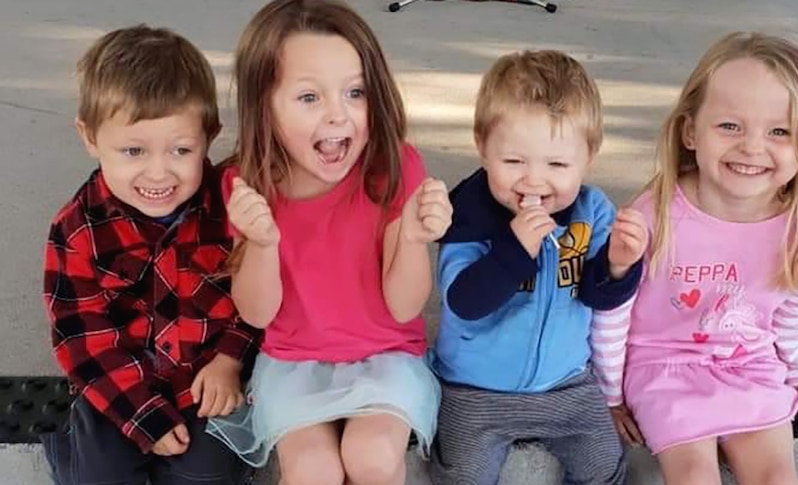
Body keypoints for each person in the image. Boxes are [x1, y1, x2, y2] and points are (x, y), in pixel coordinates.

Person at [204, 2, 452, 484]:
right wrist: (261, 242)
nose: (338, 115)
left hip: (386, 356)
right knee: (312, 468)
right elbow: (257, 314)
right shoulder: (249, 183)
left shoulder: (395, 168)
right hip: (295, 362)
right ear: (265, 104)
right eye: (309, 97)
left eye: (355, 92)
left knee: (374, 454)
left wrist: (415, 239)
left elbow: (404, 308)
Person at [591, 32, 798, 485]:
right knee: (693, 476)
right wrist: (610, 395)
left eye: (780, 131)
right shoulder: (655, 213)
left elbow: (793, 309)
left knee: (776, 476)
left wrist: (794, 364)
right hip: (662, 365)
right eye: (730, 125)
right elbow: (613, 311)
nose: (752, 146)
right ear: (690, 131)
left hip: (749, 360)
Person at [41, 25, 259, 485]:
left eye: (182, 149)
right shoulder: (77, 230)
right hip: (119, 381)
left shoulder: (230, 209)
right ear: (90, 136)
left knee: (210, 473)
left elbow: (254, 295)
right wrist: (143, 416)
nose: (159, 172)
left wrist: (229, 361)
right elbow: (82, 340)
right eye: (133, 150)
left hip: (203, 377)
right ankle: (67, 443)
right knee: (96, 477)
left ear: (210, 135)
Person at [428, 49, 647, 485]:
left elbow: (596, 295)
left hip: (565, 385)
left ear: (589, 156)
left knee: (605, 465)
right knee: (463, 475)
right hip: (476, 390)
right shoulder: (468, 213)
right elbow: (465, 301)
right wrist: (514, 247)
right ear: (482, 148)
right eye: (513, 162)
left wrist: (620, 266)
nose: (533, 180)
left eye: (558, 165)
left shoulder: (592, 211)